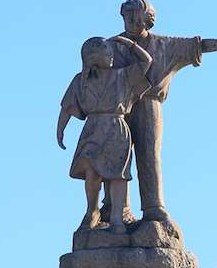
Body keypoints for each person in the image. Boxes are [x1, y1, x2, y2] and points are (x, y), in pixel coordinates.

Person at [103, 0, 217, 224]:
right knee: (115, 156)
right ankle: (115, 208)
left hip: (148, 104)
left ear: (147, 22)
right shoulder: (111, 45)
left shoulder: (164, 45)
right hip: (117, 108)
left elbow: (198, 45)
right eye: (127, 17)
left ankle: (153, 207)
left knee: (149, 155)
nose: (131, 22)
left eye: (136, 18)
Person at [56, 35, 152, 234]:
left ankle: (117, 218)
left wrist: (128, 43)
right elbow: (66, 108)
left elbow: (147, 61)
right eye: (107, 52)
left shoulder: (122, 76)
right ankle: (92, 210)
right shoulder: (80, 81)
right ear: (93, 57)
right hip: (93, 128)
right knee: (92, 171)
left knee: (118, 174)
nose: (111, 56)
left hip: (116, 126)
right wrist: (60, 130)